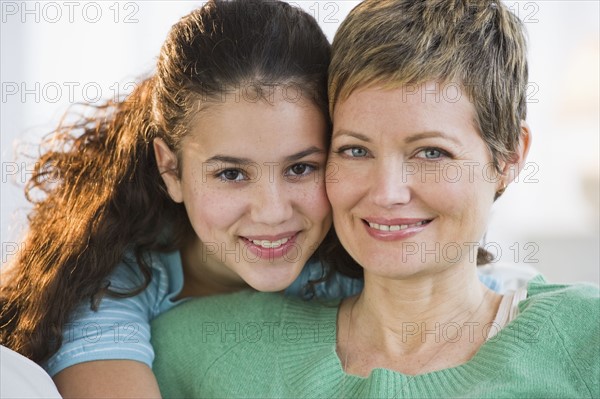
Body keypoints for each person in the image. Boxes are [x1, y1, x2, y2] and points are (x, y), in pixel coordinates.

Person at [150, 0, 600, 397]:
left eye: (431, 152)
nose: (386, 193)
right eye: (356, 150)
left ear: (510, 157)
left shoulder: (584, 335)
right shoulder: (203, 345)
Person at [0, 1, 368, 397]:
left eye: (300, 168)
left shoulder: (356, 265)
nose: (273, 211)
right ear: (170, 170)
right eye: (231, 174)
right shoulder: (109, 275)